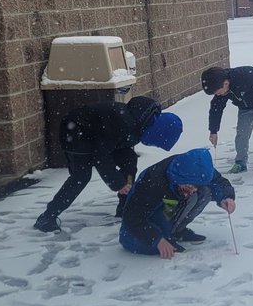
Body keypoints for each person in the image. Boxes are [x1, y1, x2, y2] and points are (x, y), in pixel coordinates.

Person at [33, 97, 182, 233]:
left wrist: (127, 179)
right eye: (156, 143)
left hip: (99, 136)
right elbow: (101, 156)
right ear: (157, 132)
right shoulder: (126, 122)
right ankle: (47, 217)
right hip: (76, 131)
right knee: (81, 176)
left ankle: (124, 208)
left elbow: (122, 151)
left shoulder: (142, 123)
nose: (153, 145)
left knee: (129, 162)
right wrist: (118, 183)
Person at [118, 148, 236, 259]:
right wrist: (157, 239)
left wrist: (226, 197)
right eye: (189, 186)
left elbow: (218, 182)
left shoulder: (197, 168)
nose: (194, 190)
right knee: (169, 205)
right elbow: (132, 217)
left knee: (205, 192)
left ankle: (176, 232)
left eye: (196, 186)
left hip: (169, 202)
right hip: (138, 229)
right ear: (179, 177)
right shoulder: (152, 183)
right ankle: (166, 235)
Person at [201, 65, 253, 176]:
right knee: (241, 134)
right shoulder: (221, 87)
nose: (218, 95)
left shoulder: (245, 75)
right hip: (245, 107)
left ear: (225, 84)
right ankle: (240, 162)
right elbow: (216, 109)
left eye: (218, 92)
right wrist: (213, 131)